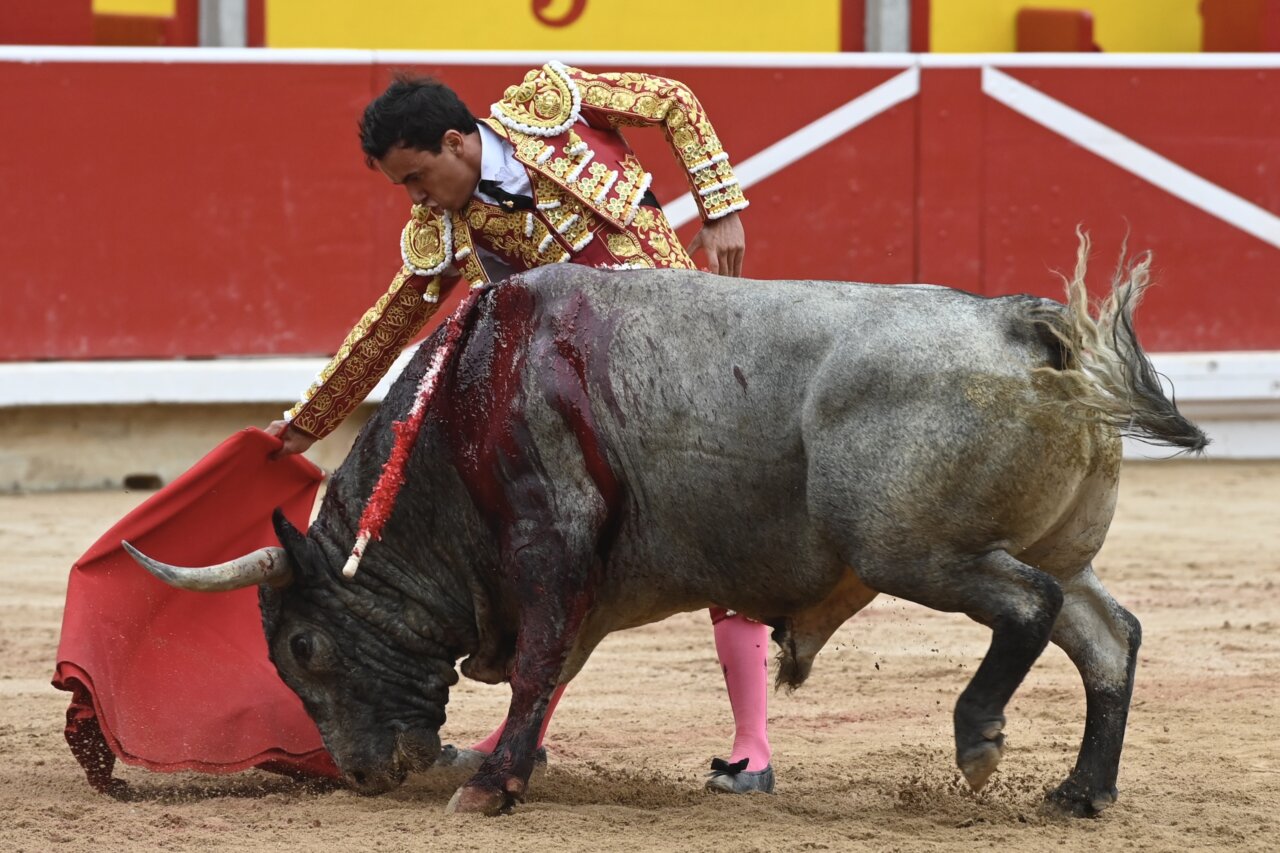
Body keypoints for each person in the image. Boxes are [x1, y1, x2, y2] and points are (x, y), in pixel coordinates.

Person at [266, 62, 773, 794]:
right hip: (602, 416)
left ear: (455, 142)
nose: (414, 198)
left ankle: (752, 747)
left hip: (691, 360)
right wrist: (304, 425)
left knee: (729, 544)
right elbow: (387, 326)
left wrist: (720, 205)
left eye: (416, 177)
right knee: (559, 566)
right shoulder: (444, 227)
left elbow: (672, 102)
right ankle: (518, 735)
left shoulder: (552, 106)